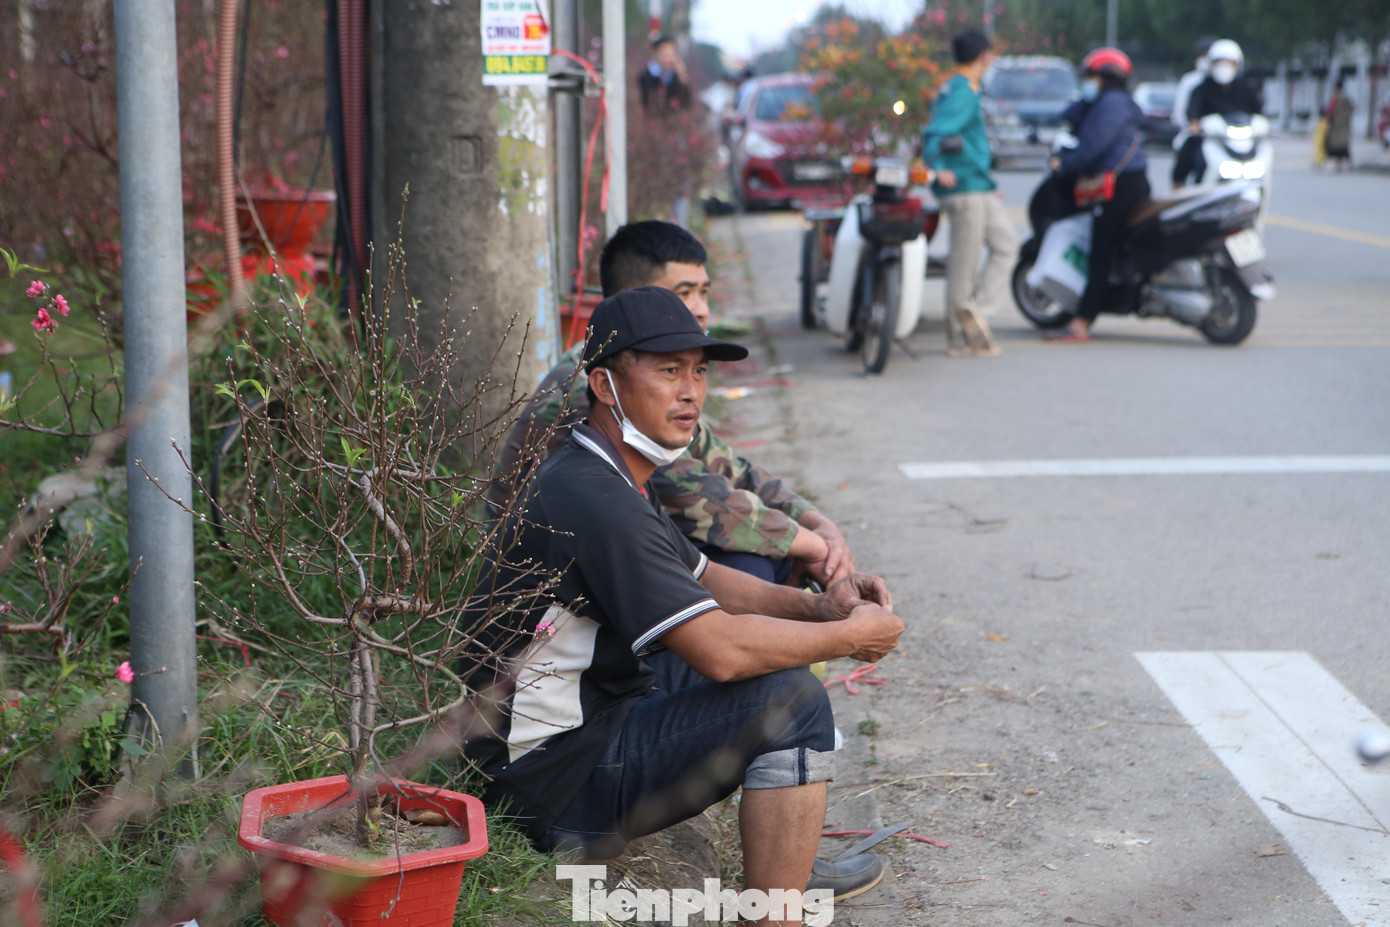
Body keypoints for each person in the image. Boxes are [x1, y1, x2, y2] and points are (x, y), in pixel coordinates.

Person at [462, 288, 905, 914]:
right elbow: (721, 652)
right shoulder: (596, 499)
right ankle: (777, 909)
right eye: (669, 370)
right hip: (548, 784)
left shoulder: (606, 471)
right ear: (604, 385)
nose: (691, 391)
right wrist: (851, 637)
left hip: (571, 729)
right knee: (793, 700)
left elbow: (709, 578)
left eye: (698, 371)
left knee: (772, 654)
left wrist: (823, 607)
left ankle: (786, 862)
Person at [490, 221, 856, 588]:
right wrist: (816, 546)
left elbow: (732, 469)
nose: (700, 309)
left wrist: (816, 522)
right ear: (631, 300)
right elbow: (697, 499)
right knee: (750, 566)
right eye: (683, 293)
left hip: (619, 546)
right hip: (543, 585)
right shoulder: (599, 385)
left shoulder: (658, 379)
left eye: (703, 292)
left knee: (772, 560)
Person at [922, 28, 1017, 357]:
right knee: (965, 264)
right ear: (985, 56)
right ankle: (959, 338)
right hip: (963, 186)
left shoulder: (959, 86)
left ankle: (975, 310)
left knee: (1006, 245)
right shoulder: (962, 91)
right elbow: (935, 132)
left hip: (978, 183)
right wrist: (937, 167)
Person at [1045, 47, 1149, 343]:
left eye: (1091, 76)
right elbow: (1070, 117)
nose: (1087, 82)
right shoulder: (1109, 102)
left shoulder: (1112, 104)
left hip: (1119, 187)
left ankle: (1081, 322)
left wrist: (1064, 164)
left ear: (1106, 77)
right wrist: (1085, 99)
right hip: (1129, 183)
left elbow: (1094, 148)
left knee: (1100, 252)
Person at [1174, 39, 1263, 188]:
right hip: (1210, 139)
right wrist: (1195, 125)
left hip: (1240, 140)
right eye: (1219, 63)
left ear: (1237, 64)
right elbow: (1193, 114)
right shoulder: (1202, 88)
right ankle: (1180, 187)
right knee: (1190, 154)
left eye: (1229, 63)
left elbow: (1258, 114)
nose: (1224, 67)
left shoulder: (1246, 88)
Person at [1170, 36, 1216, 188]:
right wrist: (1194, 126)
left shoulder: (1223, 84)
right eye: (1202, 55)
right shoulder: (1191, 82)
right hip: (1194, 135)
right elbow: (1180, 113)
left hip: (1219, 138)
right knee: (1184, 164)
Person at [639, 35, 692, 112]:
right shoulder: (646, 76)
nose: (669, 58)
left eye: (672, 54)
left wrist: (682, 76)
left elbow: (686, 104)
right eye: (665, 54)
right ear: (655, 53)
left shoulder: (675, 76)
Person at [1323, 79, 1354, 172]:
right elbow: (1330, 110)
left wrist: (1343, 117)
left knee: (1343, 147)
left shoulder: (1344, 98)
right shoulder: (1333, 98)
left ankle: (1349, 164)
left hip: (1342, 126)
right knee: (1335, 147)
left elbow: (1350, 109)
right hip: (1334, 125)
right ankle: (1338, 164)